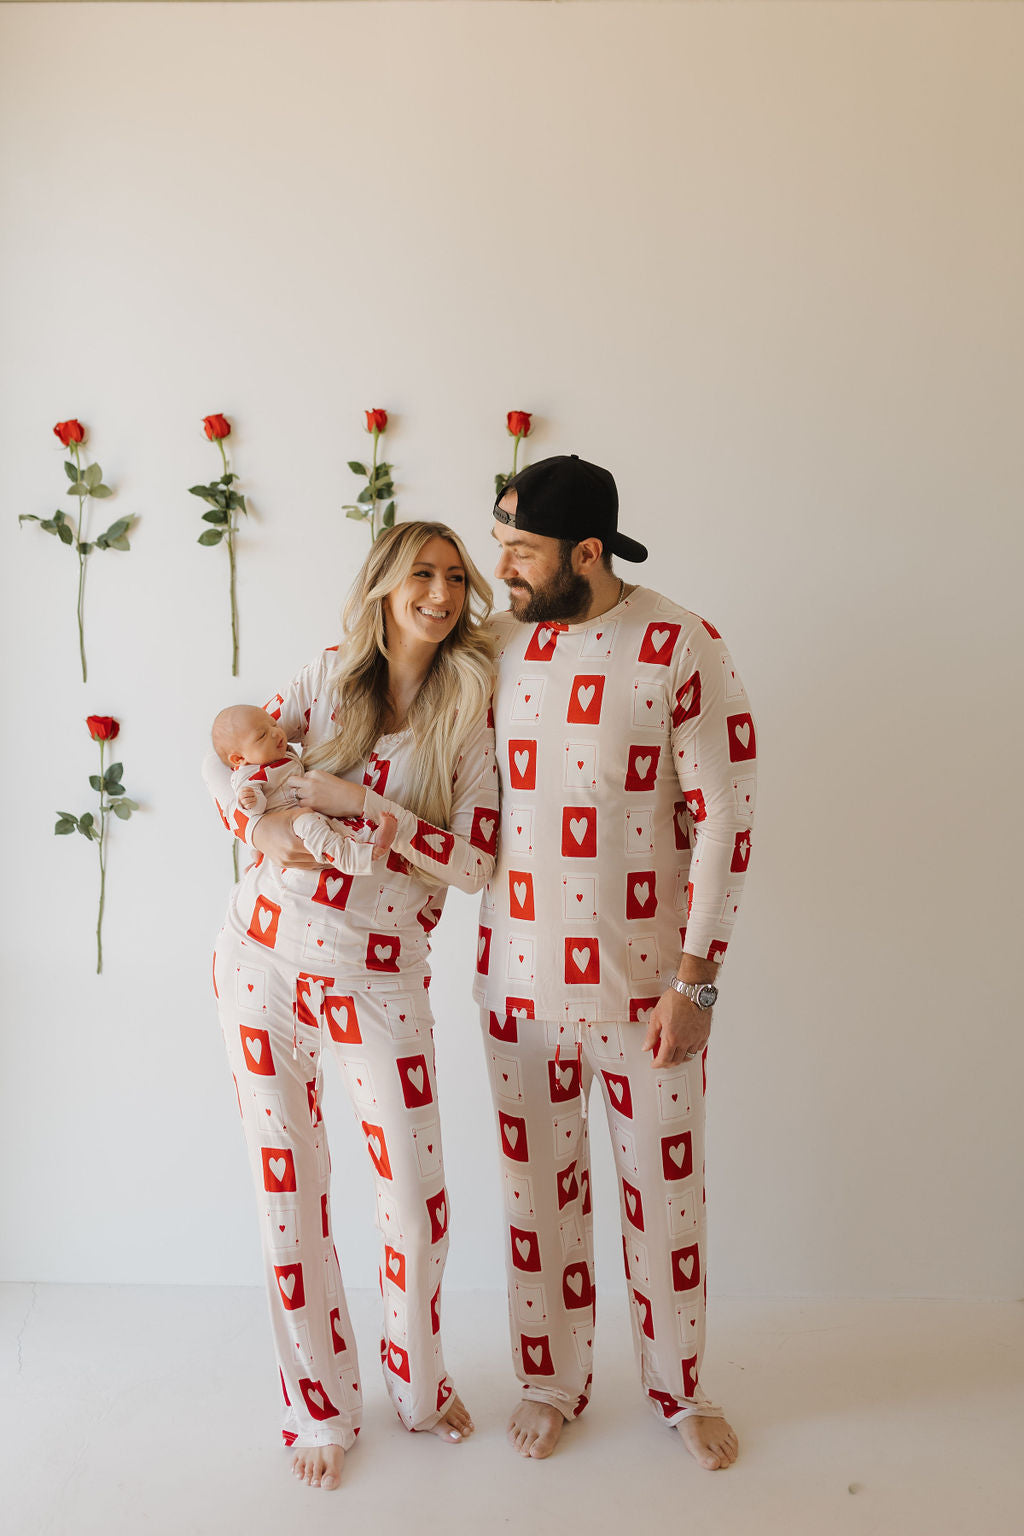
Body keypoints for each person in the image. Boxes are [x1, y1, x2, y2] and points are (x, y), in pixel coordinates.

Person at [205, 522, 499, 1490]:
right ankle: (319, 1406)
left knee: (414, 1204)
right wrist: (277, 816)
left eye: (456, 578)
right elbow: (229, 768)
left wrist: (358, 804)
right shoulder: (327, 676)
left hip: (377, 980)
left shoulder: (470, 713)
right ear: (382, 586)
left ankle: (416, 1388)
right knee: (288, 1192)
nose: (441, 592)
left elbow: (475, 863)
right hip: (263, 960)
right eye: (421, 573)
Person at [476, 455, 756, 1470]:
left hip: (648, 996)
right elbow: (358, 682)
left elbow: (726, 813)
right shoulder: (494, 645)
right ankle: (550, 1381)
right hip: (514, 988)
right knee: (533, 1202)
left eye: (519, 547)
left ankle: (679, 1391)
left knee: (665, 1199)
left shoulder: (681, 645)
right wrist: (227, 754)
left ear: (584, 551)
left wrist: (697, 981)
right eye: (498, 538)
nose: (496, 565)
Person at [211, 702, 397, 870]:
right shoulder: (247, 775)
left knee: (338, 826)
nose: (276, 732)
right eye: (262, 735)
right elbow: (255, 810)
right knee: (312, 827)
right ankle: (354, 859)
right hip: (290, 824)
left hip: (309, 811)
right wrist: (250, 800)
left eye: (273, 724)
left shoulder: (279, 755)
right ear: (239, 758)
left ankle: (373, 842)